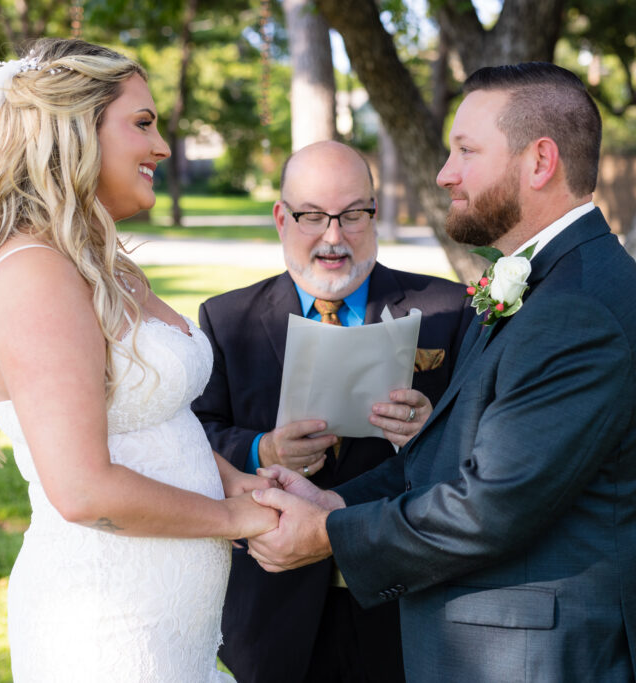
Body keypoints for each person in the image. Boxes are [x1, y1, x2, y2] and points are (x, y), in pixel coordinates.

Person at [247, 63, 636, 682]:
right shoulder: (541, 282)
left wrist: (330, 535)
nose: (445, 173)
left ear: (539, 162)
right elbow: (461, 459)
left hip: (541, 660)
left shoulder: (578, 310)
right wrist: (333, 499)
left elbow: (488, 508)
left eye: (466, 151)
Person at [0, 38, 277, 681]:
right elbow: (81, 489)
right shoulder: (34, 278)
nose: (161, 146)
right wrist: (231, 518)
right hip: (106, 627)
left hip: (167, 623)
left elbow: (149, 424)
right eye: (142, 123)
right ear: (74, 132)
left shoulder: (105, 266)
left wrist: (232, 478)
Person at [192, 140, 472, 683]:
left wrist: (428, 430)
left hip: (402, 603)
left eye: (353, 215)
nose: (334, 236)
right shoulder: (226, 319)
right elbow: (194, 435)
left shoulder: (449, 308)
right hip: (274, 609)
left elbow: (482, 444)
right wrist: (260, 449)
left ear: (374, 213)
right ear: (281, 218)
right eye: (313, 216)